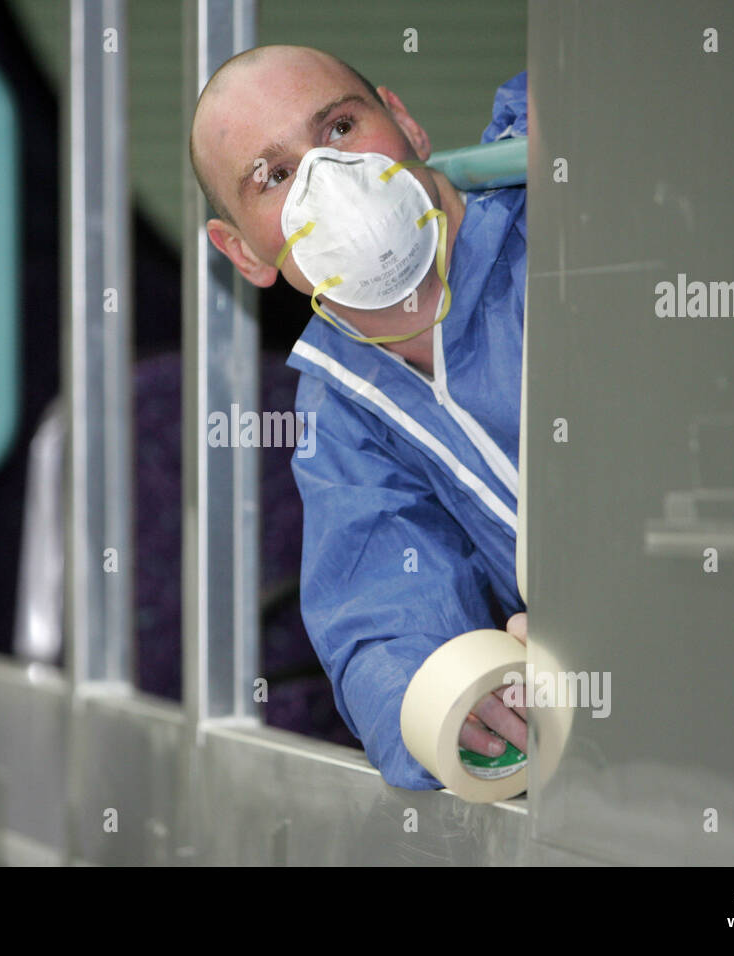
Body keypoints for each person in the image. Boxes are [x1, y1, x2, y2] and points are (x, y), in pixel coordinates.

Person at [190, 44, 529, 790]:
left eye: (340, 129)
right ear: (243, 253)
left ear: (404, 122)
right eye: (275, 176)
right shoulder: (344, 411)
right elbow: (383, 617)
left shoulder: (561, 222)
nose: (330, 180)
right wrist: (462, 710)